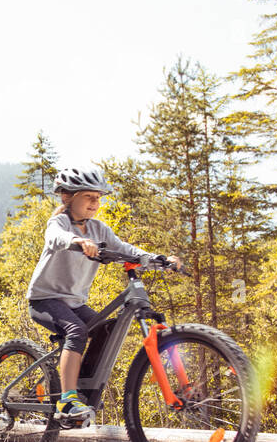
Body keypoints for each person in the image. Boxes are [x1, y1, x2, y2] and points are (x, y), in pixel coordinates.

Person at [25, 168, 182, 424]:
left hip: (75, 302)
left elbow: (126, 250)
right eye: (88, 197)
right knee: (76, 331)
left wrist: (159, 260)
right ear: (67, 197)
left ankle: (80, 391)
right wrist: (77, 241)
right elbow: (57, 238)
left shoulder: (99, 229)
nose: (95, 203)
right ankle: (66, 399)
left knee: (105, 330)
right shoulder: (59, 223)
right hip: (45, 299)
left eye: (98, 198)